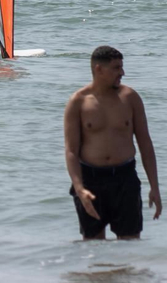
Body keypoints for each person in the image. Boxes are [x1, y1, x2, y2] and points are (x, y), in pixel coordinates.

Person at [63, 45, 161, 240]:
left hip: (125, 179)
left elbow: (145, 145)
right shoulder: (78, 102)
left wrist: (155, 187)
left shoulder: (130, 98)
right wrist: (80, 188)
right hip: (90, 180)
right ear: (99, 69)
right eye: (116, 68)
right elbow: (71, 151)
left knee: (131, 243)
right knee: (93, 246)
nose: (122, 73)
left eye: (122, 67)